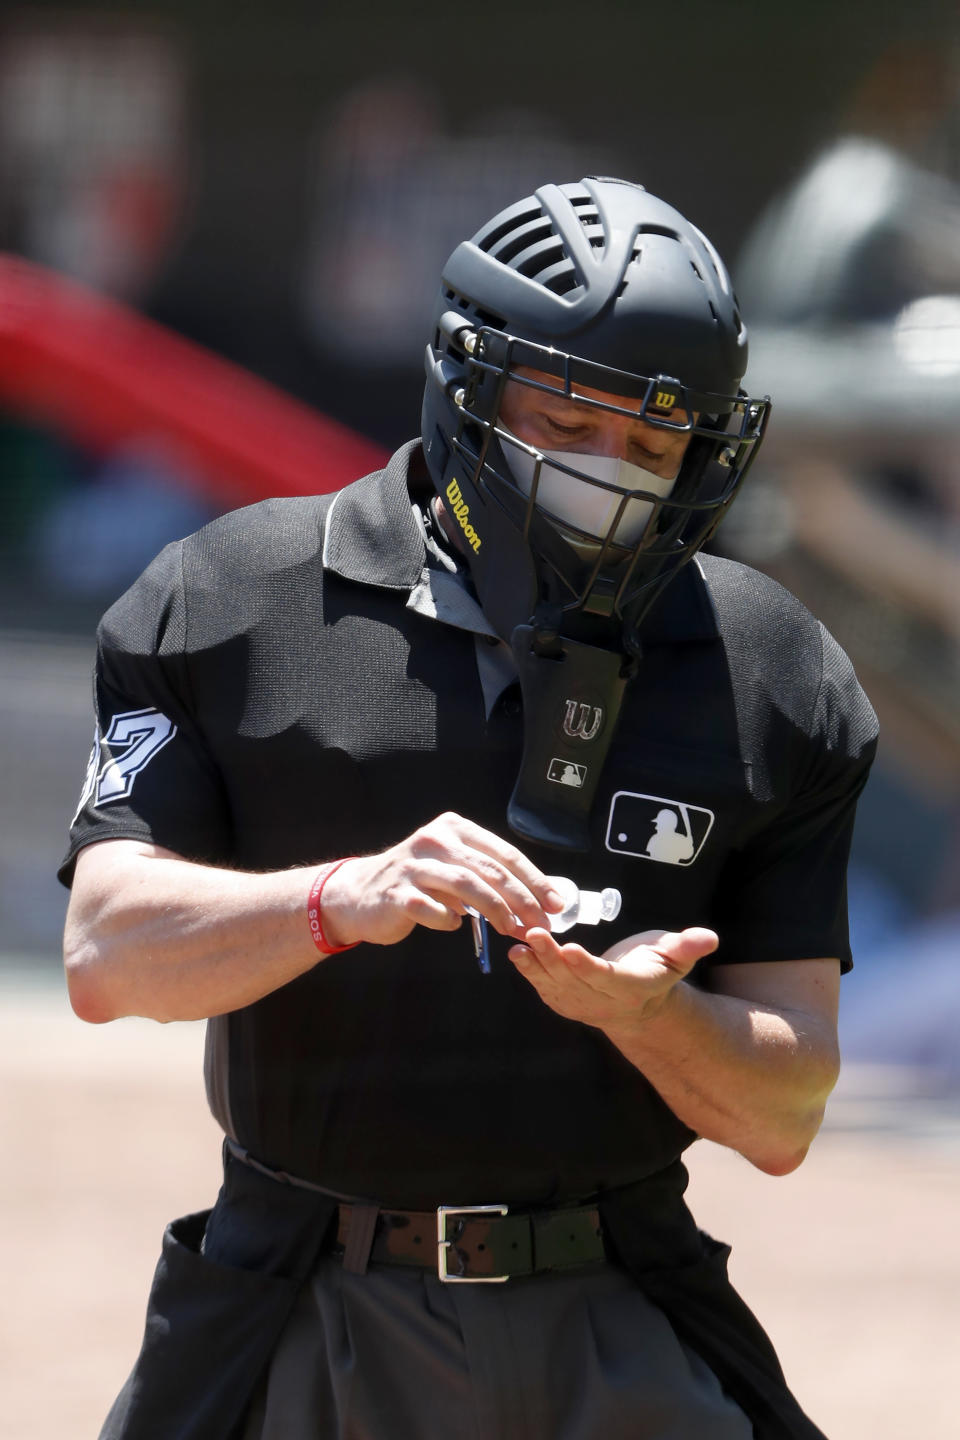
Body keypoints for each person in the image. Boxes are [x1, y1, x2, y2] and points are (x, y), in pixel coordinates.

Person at [60, 177, 877, 1440]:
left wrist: (653, 1018)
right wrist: (341, 900)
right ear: (470, 389)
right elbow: (107, 955)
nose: (611, 477)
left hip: (624, 1316)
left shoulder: (775, 671)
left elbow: (785, 1112)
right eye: (570, 420)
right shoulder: (228, 599)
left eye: (655, 447)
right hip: (296, 1309)